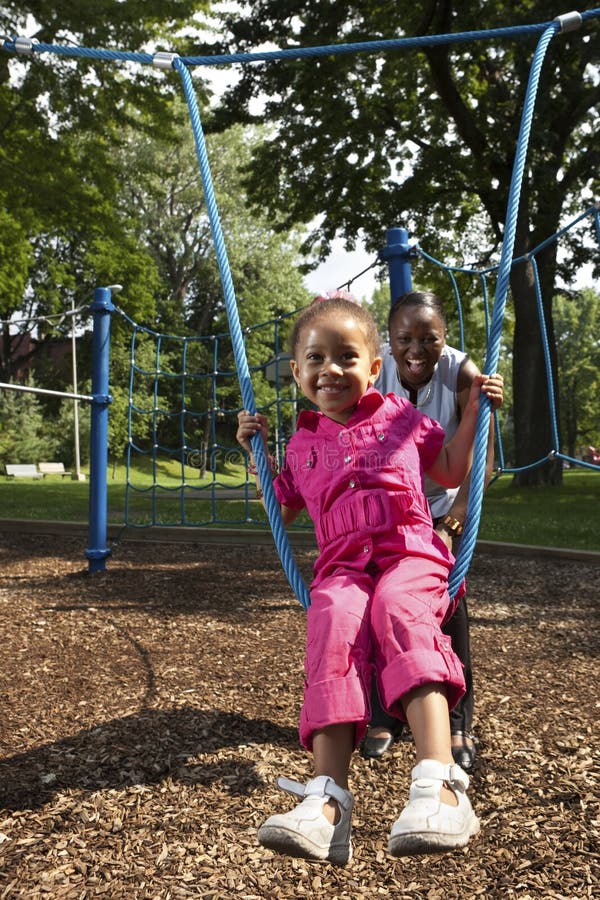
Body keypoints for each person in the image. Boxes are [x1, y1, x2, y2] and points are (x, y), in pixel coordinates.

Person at [236, 295, 503, 864]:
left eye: (346, 357)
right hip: (343, 567)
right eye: (315, 358)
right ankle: (327, 803)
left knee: (399, 609)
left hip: (410, 551)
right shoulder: (302, 443)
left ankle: (441, 782)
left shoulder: (402, 419)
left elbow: (451, 469)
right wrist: (256, 455)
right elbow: (280, 511)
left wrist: (478, 409)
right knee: (332, 620)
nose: (330, 369)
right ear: (297, 372)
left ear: (373, 367)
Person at [360, 289, 502, 769]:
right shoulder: (373, 370)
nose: (416, 350)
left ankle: (458, 720)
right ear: (389, 339)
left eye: (429, 339)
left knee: (449, 596)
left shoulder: (462, 373)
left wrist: (453, 524)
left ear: (445, 339)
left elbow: (482, 459)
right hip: (391, 506)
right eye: (405, 338)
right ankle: (386, 712)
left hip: (442, 502)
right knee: (381, 597)